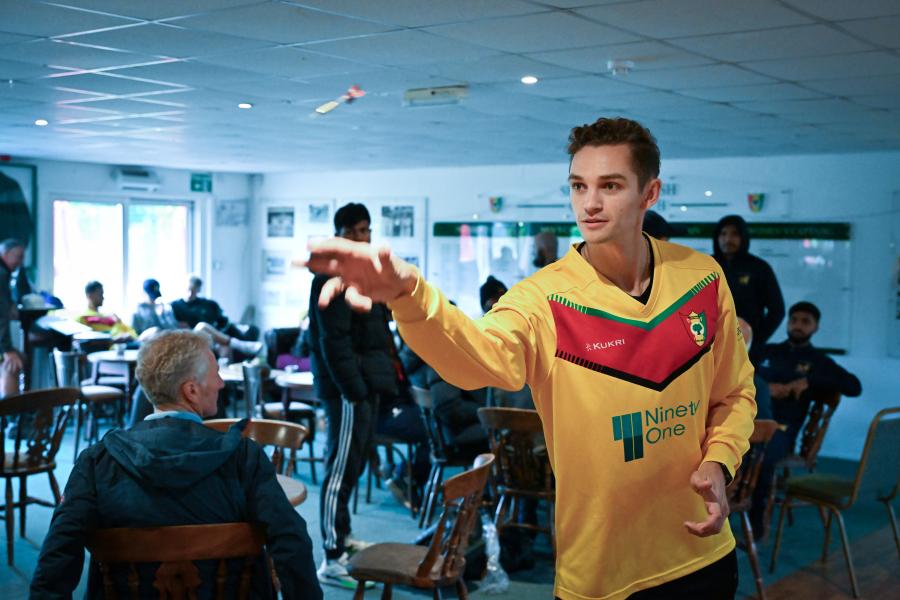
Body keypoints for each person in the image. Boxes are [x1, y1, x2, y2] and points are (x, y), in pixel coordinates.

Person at [305, 117, 756, 600]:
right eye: (579, 186)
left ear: (650, 193)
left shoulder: (702, 278)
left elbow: (734, 394)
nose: (591, 203)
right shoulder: (543, 298)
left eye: (610, 185)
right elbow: (475, 359)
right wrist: (409, 293)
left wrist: (720, 460)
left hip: (702, 555)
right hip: (603, 575)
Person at [30, 330, 322, 599]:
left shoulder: (97, 461)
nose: (221, 383)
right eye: (216, 373)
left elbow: (57, 556)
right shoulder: (243, 458)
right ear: (191, 390)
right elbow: (291, 542)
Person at [307, 203, 398, 589]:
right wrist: (354, 390)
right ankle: (331, 555)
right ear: (342, 234)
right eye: (357, 231)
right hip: (347, 391)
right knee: (340, 470)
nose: (365, 237)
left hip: (367, 387)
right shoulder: (330, 279)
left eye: (367, 230)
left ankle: (342, 540)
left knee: (355, 466)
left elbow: (378, 332)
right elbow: (333, 343)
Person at [749, 301, 862, 538]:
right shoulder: (766, 352)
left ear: (816, 327)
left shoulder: (819, 362)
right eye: (794, 320)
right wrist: (765, 388)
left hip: (781, 430)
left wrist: (809, 382)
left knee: (762, 452)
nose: (798, 326)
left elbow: (854, 386)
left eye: (805, 322)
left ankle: (755, 522)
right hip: (750, 420)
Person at [713, 214, 785, 362]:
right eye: (723, 234)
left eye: (734, 234)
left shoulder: (759, 268)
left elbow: (777, 310)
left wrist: (756, 341)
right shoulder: (705, 265)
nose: (728, 239)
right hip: (710, 348)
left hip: (746, 351)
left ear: (743, 237)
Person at [133, 278, 262, 355]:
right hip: (150, 340)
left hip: (172, 338)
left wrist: (170, 319)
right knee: (155, 330)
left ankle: (239, 345)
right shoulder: (137, 311)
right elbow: (133, 335)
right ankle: (227, 346)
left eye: (155, 295)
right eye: (151, 296)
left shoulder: (164, 307)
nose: (154, 299)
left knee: (202, 327)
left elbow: (171, 326)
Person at [0, 238, 26, 397]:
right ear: (6, 254)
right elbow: (0, 316)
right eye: (18, 257)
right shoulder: (1, 274)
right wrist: (7, 349)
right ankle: (11, 416)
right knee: (14, 364)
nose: (20, 262)